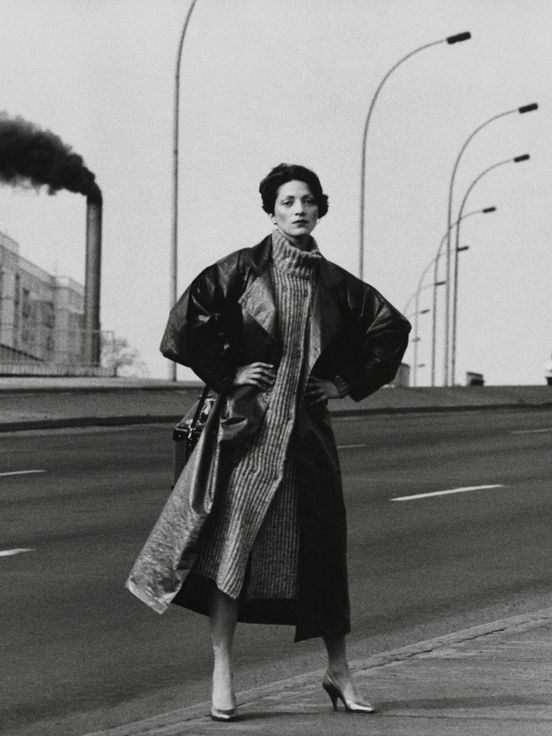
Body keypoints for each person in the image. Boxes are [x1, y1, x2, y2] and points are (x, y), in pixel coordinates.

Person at [126, 163, 411, 722]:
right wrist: (230, 371)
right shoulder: (240, 270)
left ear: (320, 208)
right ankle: (223, 676)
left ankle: (339, 671)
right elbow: (182, 327)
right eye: (287, 201)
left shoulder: (338, 285)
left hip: (307, 441)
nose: (299, 209)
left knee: (323, 557)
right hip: (245, 436)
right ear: (271, 210)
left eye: (308, 200)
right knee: (233, 553)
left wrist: (345, 383)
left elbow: (390, 328)